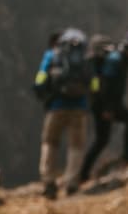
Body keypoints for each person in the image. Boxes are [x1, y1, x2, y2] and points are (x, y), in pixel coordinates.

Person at [80, 30, 128, 182]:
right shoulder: (116, 59)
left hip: (105, 104)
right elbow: (107, 84)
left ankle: (83, 174)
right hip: (104, 105)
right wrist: (108, 109)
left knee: (102, 140)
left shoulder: (121, 59)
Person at [33, 28, 91, 199]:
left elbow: (41, 77)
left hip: (56, 105)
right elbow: (93, 81)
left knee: (50, 142)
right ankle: (71, 183)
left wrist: (42, 93)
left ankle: (49, 182)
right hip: (79, 107)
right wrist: (90, 98)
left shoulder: (52, 55)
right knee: (76, 145)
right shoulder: (85, 57)